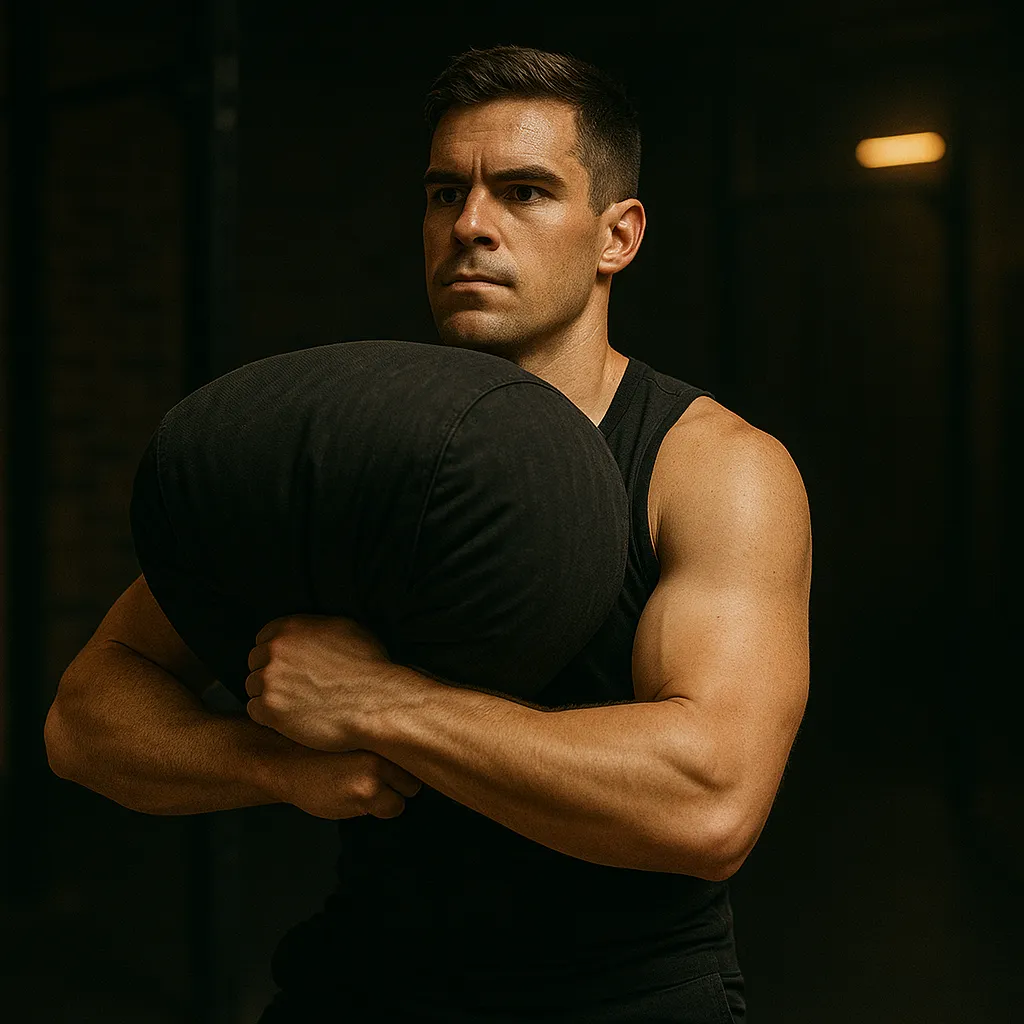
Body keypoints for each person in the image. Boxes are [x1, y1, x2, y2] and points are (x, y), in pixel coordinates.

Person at [46, 44, 811, 1023]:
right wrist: (279, 765)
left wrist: (382, 703)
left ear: (617, 236)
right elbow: (84, 719)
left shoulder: (710, 468)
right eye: (445, 192)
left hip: (623, 999)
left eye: (524, 192)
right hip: (363, 985)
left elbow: (709, 803)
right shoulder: (367, 445)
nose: (470, 226)